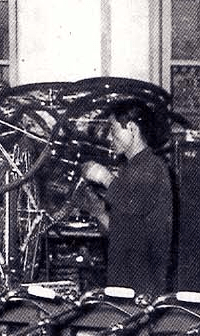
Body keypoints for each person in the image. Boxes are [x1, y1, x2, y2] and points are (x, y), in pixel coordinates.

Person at [81, 99, 174, 297]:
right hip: (124, 280)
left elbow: (135, 204)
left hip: (143, 285)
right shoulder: (129, 169)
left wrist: (103, 176)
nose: (111, 138)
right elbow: (122, 230)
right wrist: (99, 212)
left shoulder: (152, 167)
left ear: (131, 128)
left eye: (114, 131)